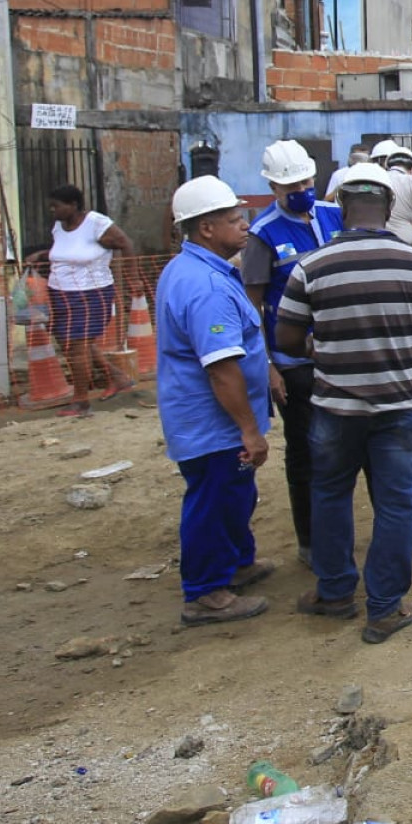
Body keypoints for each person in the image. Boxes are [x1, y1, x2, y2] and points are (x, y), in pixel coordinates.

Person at [277, 163, 412, 644]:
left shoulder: (310, 266)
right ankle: (384, 608)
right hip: (401, 405)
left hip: (335, 406)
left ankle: (333, 593)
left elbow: (288, 338)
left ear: (342, 207)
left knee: (329, 493)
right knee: (395, 504)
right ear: (391, 207)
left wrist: (322, 349)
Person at [155, 176, 272, 627]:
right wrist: (248, 428)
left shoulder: (194, 271)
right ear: (206, 228)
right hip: (213, 423)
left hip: (210, 419)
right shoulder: (205, 286)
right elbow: (221, 368)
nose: (245, 226)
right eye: (234, 219)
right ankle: (206, 592)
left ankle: (238, 562)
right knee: (213, 498)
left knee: (235, 492)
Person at [242, 140, 343, 566]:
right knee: (305, 450)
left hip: (341, 356)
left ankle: (338, 533)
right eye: (289, 185)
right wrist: (267, 366)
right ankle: (309, 540)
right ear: (272, 186)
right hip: (295, 362)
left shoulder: (335, 215)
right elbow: (253, 305)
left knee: (344, 447)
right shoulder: (263, 235)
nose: (299, 190)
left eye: (303, 181)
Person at [24, 184, 136, 416]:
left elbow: (126, 244)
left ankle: (81, 400)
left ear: (73, 205)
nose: (52, 211)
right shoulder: (58, 227)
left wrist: (132, 278)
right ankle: (117, 377)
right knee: (72, 343)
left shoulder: (95, 223)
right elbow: (67, 251)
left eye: (57, 206)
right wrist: (42, 255)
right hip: (60, 294)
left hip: (90, 293)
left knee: (77, 347)